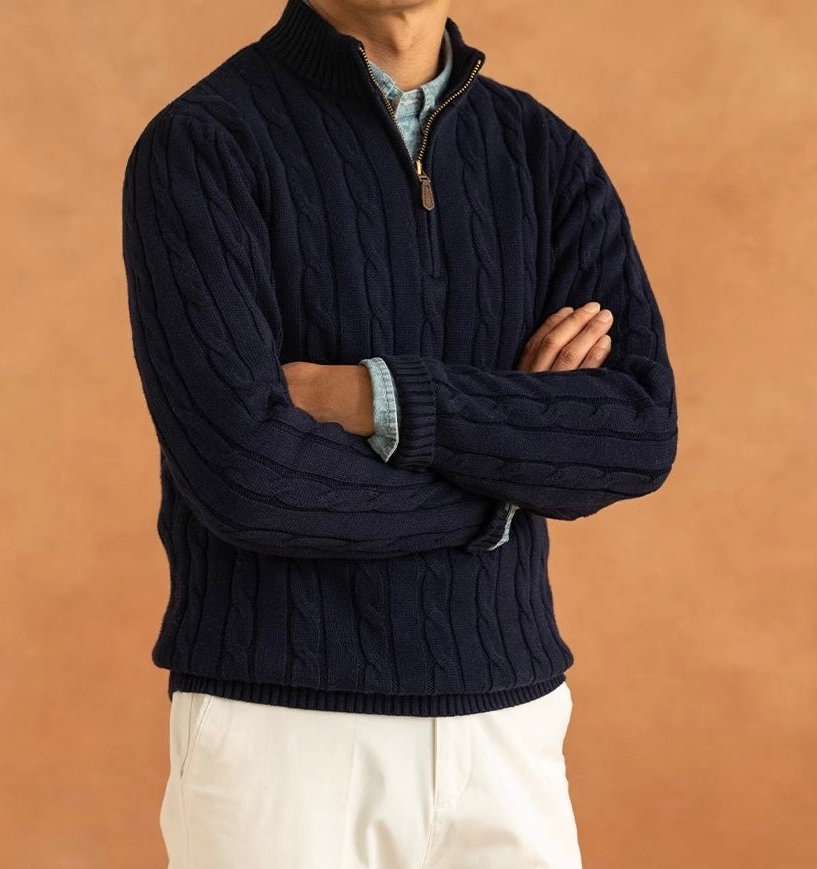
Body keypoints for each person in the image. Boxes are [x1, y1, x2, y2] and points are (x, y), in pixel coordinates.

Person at [121, 0, 678, 865]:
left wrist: (381, 398)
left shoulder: (543, 152)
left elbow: (634, 434)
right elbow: (245, 476)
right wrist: (501, 492)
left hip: (509, 719)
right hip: (280, 729)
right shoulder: (205, 143)